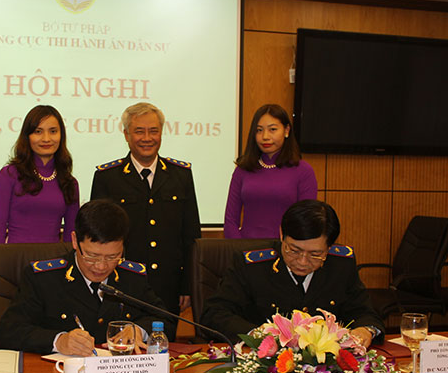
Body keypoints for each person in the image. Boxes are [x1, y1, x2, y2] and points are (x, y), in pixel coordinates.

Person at [0, 199, 175, 355]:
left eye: (112, 257)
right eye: (92, 256)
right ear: (75, 241)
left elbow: (166, 320)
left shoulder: (131, 277)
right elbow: (7, 332)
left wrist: (138, 330)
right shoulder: (43, 279)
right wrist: (58, 341)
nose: (101, 266)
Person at [202, 199, 384, 348]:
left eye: (315, 254)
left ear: (329, 247)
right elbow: (214, 313)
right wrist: (257, 335)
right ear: (282, 234)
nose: (303, 261)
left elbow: (365, 312)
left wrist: (366, 330)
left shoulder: (341, 265)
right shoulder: (252, 266)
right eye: (294, 250)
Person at [90, 102, 201, 320]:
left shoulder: (181, 175)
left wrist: (188, 286)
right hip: (121, 285)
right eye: (139, 131)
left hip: (169, 286)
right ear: (126, 135)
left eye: (153, 131)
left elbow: (190, 236)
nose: (147, 138)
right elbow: (98, 239)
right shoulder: (107, 177)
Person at [0, 105, 79, 249]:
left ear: (61, 135)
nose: (46, 139)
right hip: (16, 257)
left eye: (53, 131)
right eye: (38, 132)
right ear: (27, 136)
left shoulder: (69, 182)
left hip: (53, 259)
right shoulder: (9, 175)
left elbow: (71, 235)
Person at [224, 104, 317, 239]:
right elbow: (230, 221)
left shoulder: (303, 171)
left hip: (286, 249)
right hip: (245, 249)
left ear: (286, 130)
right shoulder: (243, 170)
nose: (265, 136)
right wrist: (240, 249)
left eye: (272, 129)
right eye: (259, 130)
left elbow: (306, 221)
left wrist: (287, 248)